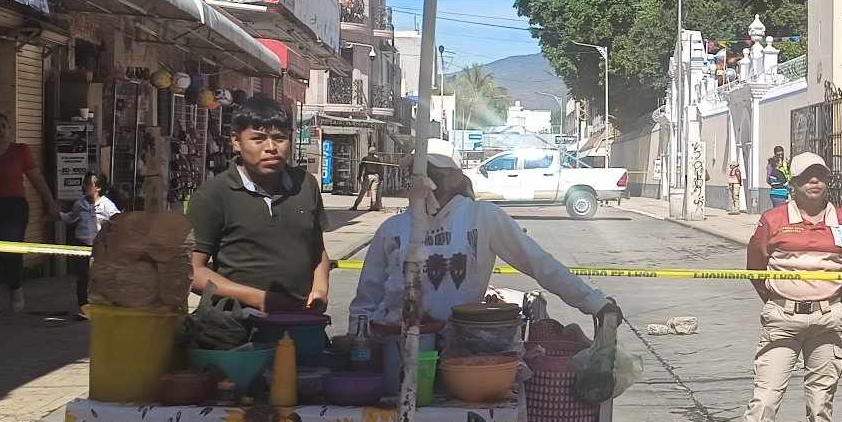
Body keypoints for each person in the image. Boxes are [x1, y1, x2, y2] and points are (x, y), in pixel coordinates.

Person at [350, 150, 619, 338]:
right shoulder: (393, 228)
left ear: (454, 177)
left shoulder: (481, 218)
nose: (423, 183)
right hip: (393, 346)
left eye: (431, 173)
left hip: (458, 347)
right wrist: (358, 343)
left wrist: (594, 302)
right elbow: (366, 298)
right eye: (416, 174)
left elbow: (539, 263)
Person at [732, 151, 842, 422]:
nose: (815, 181)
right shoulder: (773, 221)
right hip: (782, 320)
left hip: (827, 320)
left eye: (820, 175)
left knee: (821, 402)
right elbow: (756, 268)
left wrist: (828, 299)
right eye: (807, 176)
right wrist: (780, 300)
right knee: (765, 399)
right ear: (793, 184)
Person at [186, 96, 331, 312]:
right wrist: (258, 299)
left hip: (300, 320)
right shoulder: (214, 194)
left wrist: (320, 291)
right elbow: (191, 271)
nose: (271, 147)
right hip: (234, 326)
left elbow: (317, 249)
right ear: (236, 141)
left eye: (279, 138)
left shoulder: (305, 184)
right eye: (258, 139)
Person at [0, 111, 62, 319]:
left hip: (13, 208)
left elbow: (37, 180)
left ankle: (15, 286)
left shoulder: (20, 151)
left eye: (4, 126)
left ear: (9, 130)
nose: (0, 131)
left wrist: (50, 204)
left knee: (10, 252)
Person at [62, 170, 119, 315]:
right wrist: (56, 215)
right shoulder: (79, 204)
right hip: (82, 246)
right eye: (84, 183)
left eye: (89, 184)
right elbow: (70, 218)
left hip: (99, 248)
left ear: (98, 188)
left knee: (98, 276)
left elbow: (118, 221)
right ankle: (83, 307)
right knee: (82, 277)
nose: (85, 186)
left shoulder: (107, 205)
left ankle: (100, 305)